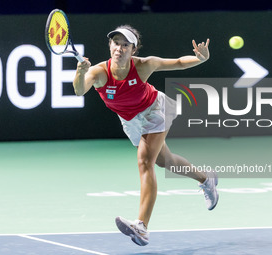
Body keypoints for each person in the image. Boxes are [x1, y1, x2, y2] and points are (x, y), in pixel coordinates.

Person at [73, 25, 218, 246]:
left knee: (145, 162)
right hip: (131, 120)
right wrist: (80, 72)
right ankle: (206, 179)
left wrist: (201, 59)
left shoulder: (143, 65)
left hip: (154, 111)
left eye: (125, 45)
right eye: (115, 43)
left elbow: (178, 62)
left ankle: (141, 227)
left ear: (133, 49)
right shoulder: (98, 72)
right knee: (165, 161)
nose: (119, 48)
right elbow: (79, 90)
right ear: (110, 45)